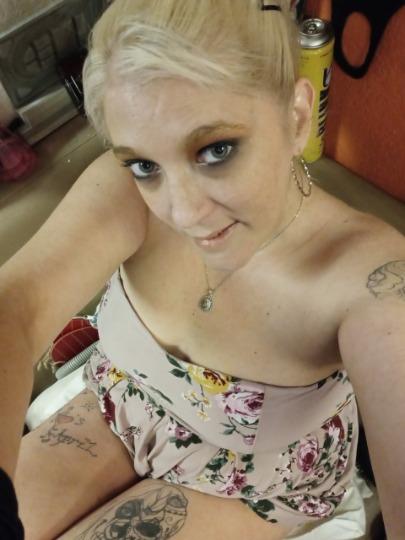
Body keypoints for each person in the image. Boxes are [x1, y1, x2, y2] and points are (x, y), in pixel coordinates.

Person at [1, 0, 404, 538]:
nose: (183, 213)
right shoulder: (125, 194)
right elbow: (16, 309)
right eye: (145, 165)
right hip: (122, 408)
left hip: (257, 483)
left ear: (296, 116)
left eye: (216, 150)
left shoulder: (368, 282)